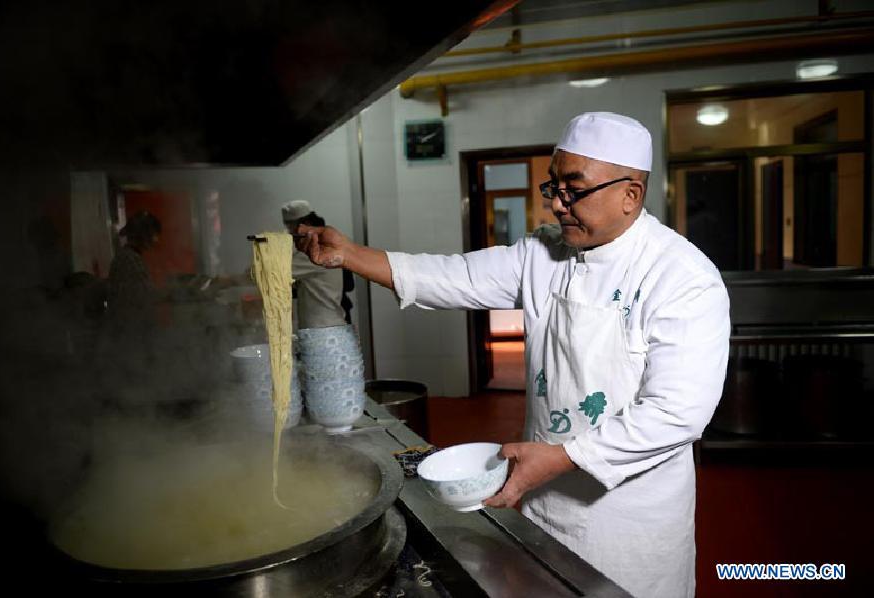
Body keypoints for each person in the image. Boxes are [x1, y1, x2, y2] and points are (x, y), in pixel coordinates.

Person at [294, 112, 730, 598]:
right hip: (543, 500)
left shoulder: (682, 276)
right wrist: (349, 254)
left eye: (575, 189)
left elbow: (678, 412)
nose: (558, 205)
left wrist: (564, 457)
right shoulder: (544, 253)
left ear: (631, 194)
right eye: (554, 187)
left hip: (628, 521)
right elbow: (453, 276)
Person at [281, 200, 353, 329]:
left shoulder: (313, 252)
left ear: (306, 225)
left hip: (323, 329)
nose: (290, 233)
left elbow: (276, 272)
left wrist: (235, 280)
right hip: (329, 327)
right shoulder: (322, 246)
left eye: (291, 227)